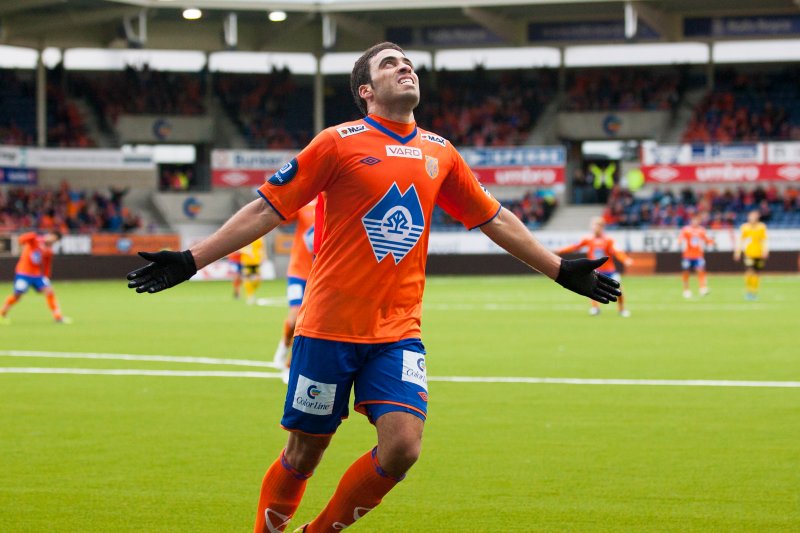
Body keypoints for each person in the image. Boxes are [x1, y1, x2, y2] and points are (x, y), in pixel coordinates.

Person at [127, 42, 621, 533]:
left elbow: (494, 218)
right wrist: (192, 260)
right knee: (304, 452)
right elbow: (266, 209)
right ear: (366, 90)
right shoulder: (337, 142)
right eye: (391, 64)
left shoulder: (440, 152)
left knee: (404, 447)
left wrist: (559, 269)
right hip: (327, 329)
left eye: (408, 63)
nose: (405, 67)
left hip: (397, 332)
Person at [273, 200, 316, 384]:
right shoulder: (307, 203)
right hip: (298, 272)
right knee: (295, 317)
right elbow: (283, 218)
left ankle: (289, 365)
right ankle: (284, 345)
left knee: (309, 324)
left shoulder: (341, 204)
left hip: (321, 277)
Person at [557, 216, 633, 317]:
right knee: (591, 289)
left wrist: (625, 259)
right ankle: (595, 308)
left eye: (596, 225)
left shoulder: (609, 240)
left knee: (618, 290)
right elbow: (575, 246)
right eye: (593, 225)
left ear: (602, 227)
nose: (594, 227)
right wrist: (561, 250)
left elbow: (617, 251)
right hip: (596, 270)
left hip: (609, 270)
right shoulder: (588, 239)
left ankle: (622, 310)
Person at [1, 231, 70, 324]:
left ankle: (58, 317)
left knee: (49, 291)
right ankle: (2, 313)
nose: (52, 241)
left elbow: (46, 265)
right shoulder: (35, 240)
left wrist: (46, 276)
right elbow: (21, 239)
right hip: (23, 273)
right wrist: (34, 235)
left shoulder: (48, 250)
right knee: (17, 295)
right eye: (53, 238)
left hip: (37, 275)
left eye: (55, 241)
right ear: (49, 235)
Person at [734, 209, 768, 300]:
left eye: (754, 216)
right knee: (749, 271)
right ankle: (748, 291)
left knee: (757, 274)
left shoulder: (762, 227)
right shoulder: (744, 227)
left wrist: (765, 250)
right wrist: (738, 252)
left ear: (758, 217)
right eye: (751, 216)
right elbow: (741, 240)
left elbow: (764, 240)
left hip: (759, 253)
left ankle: (754, 292)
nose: (753, 218)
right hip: (748, 253)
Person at [678, 214, 714, 298]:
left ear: (699, 221)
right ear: (691, 221)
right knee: (686, 272)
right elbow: (680, 237)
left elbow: (706, 239)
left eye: (696, 220)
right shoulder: (686, 230)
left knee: (701, 270)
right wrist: (679, 241)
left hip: (698, 255)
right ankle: (686, 290)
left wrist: (711, 241)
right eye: (693, 220)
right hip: (687, 255)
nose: (695, 222)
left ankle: (702, 288)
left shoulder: (701, 230)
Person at [239, 236, 266, 305]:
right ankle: (249, 296)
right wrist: (247, 251)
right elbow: (239, 248)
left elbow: (262, 248)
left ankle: (251, 292)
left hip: (256, 261)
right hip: (247, 261)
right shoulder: (246, 235)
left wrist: (263, 256)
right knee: (246, 278)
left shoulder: (261, 237)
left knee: (258, 280)